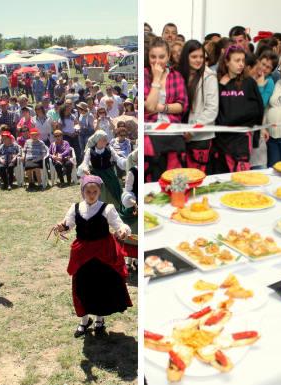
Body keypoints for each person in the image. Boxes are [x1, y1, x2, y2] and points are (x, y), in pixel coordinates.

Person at [55, 175, 132, 337]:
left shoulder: (107, 208)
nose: (91, 194)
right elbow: (67, 224)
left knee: (100, 287)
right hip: (82, 255)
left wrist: (123, 230)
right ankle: (84, 320)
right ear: (82, 192)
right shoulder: (75, 208)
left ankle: (99, 319)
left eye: (94, 191)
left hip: (103, 254)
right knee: (81, 287)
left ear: (99, 192)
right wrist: (61, 227)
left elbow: (119, 225)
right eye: (88, 191)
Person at [213, 45, 264, 173]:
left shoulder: (249, 82)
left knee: (241, 178)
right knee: (222, 178)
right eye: (237, 60)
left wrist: (256, 136)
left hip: (241, 139)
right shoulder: (218, 82)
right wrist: (221, 86)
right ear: (227, 62)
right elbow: (215, 109)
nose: (241, 64)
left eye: (243, 60)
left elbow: (258, 109)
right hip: (221, 140)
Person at [144, 37, 188, 181]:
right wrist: (156, 79)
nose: (157, 61)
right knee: (153, 179)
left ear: (168, 56)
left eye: (161, 57)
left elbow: (181, 106)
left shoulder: (176, 76)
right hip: (151, 135)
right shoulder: (144, 75)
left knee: (174, 180)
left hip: (173, 133)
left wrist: (161, 107)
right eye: (153, 57)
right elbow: (149, 106)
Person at [179, 39, 219, 173]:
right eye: (194, 56)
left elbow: (212, 109)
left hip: (200, 137)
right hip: (178, 134)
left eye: (201, 56)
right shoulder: (178, 74)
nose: (198, 60)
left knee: (197, 177)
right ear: (186, 57)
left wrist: (192, 130)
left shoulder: (209, 77)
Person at [79, 130, 126, 212]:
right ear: (98, 140)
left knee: (116, 184)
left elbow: (118, 159)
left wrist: (127, 162)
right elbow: (85, 162)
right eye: (103, 139)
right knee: (99, 185)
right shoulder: (90, 150)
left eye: (106, 139)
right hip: (95, 173)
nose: (106, 141)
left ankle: (116, 205)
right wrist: (85, 169)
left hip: (108, 173)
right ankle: (98, 207)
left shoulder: (109, 148)